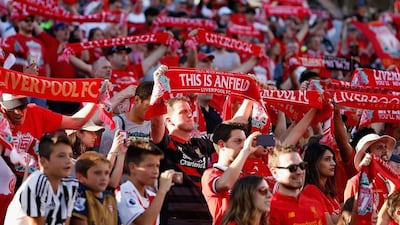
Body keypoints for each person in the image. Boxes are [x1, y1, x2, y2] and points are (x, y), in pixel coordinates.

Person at [0, 93, 98, 187]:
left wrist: (97, 99)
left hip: (35, 179)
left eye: (21, 106)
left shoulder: (35, 112)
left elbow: (75, 122)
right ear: (2, 107)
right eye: (12, 108)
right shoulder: (1, 122)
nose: (18, 112)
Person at [151, 96, 216, 225]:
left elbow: (230, 132)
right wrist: (158, 96)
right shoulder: (167, 143)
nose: (190, 114)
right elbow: (156, 124)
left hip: (205, 219)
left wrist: (250, 98)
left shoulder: (202, 144)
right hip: (176, 219)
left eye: (190, 110)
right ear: (169, 120)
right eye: (183, 112)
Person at [4, 133, 78, 225]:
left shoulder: (70, 185)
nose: (68, 161)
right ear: (44, 161)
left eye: (70, 156)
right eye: (61, 156)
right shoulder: (35, 184)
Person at [201, 122, 261, 225]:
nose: (243, 146)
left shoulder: (246, 175)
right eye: (238, 141)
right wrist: (245, 152)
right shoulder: (211, 173)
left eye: (245, 141)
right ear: (222, 145)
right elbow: (225, 184)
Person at [115, 140, 175, 225]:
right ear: (132, 167)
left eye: (157, 166)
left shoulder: (153, 196)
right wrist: (162, 190)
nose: (156, 171)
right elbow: (144, 222)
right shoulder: (123, 192)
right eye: (150, 166)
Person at [344, 133, 396, 224]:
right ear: (367, 154)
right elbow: (348, 217)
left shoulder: (390, 181)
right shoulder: (355, 182)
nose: (385, 151)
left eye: (385, 147)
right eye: (379, 148)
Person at [268, 145, 326, 224]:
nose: (299, 172)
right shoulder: (270, 209)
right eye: (292, 168)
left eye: (302, 166)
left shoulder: (315, 204)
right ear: (275, 173)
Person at [99, 81, 154, 155]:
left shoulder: (154, 125)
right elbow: (104, 157)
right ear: (137, 100)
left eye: (155, 108)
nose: (152, 111)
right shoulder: (117, 123)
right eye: (148, 106)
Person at [71, 151, 118, 225]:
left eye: (106, 173)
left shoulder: (110, 197)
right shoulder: (79, 195)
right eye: (97, 173)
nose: (104, 178)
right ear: (81, 177)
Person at [302, 143, 341, 225]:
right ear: (315, 163)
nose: (333, 163)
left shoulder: (329, 190)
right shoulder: (311, 190)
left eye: (333, 159)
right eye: (327, 159)